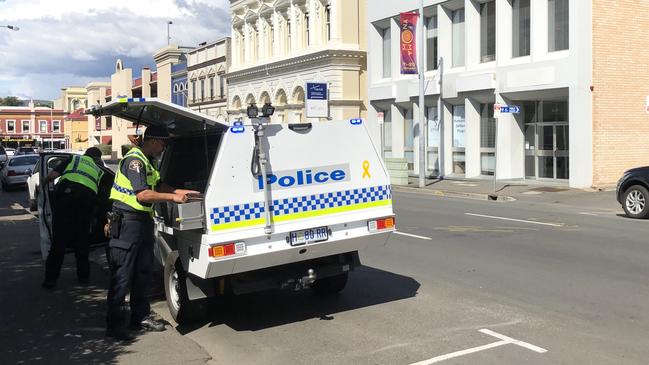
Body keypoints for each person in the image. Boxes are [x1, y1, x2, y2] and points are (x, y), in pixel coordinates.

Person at [105, 125, 197, 341]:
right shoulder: (134, 160)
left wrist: (182, 192)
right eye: (163, 143)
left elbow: (158, 185)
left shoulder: (149, 161)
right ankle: (115, 326)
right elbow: (143, 195)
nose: (164, 147)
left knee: (142, 273)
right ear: (154, 140)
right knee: (123, 275)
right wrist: (173, 198)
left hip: (142, 223)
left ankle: (141, 318)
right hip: (127, 224)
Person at [42, 147, 105, 289]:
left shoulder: (74, 159)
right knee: (82, 242)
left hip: (66, 200)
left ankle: (50, 280)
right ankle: (83, 278)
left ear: (86, 155)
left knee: (58, 243)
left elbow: (53, 175)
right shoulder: (99, 169)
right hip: (85, 205)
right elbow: (100, 193)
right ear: (97, 158)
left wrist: (44, 183)